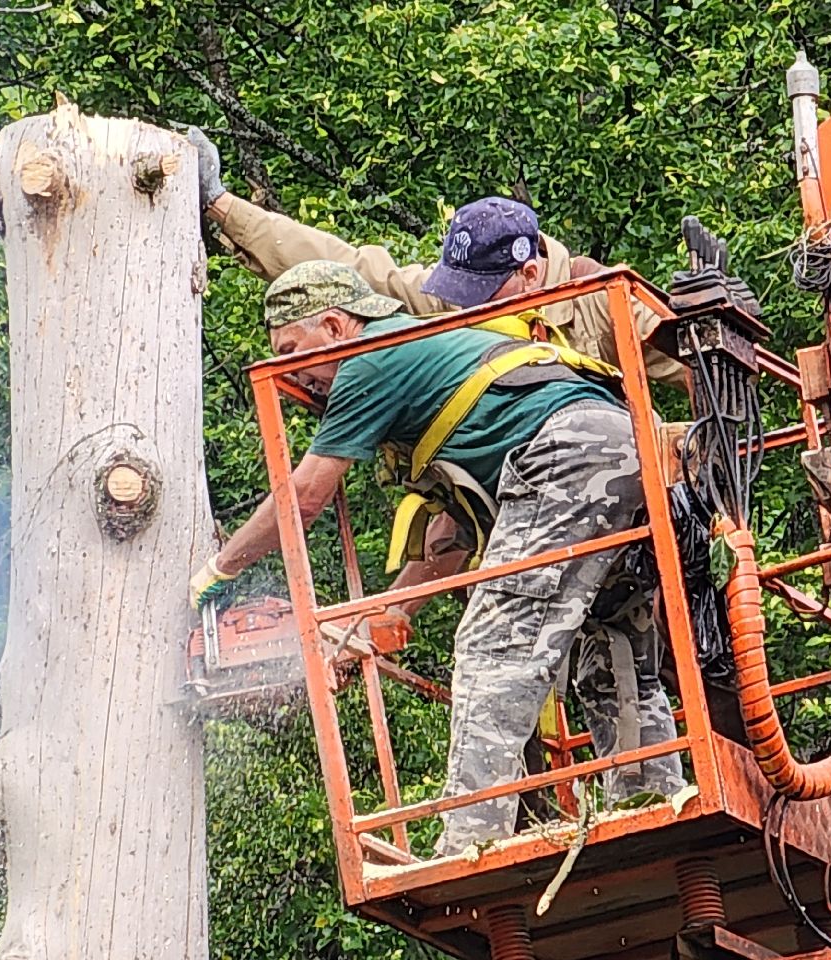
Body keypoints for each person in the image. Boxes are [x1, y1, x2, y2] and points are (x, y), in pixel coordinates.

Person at [189, 261, 686, 855]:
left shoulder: (368, 358)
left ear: (335, 326)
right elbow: (449, 541)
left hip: (568, 453)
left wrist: (219, 569)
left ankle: (472, 838)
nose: (298, 376)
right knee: (612, 645)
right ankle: (653, 801)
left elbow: (306, 496)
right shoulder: (431, 366)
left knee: (494, 644)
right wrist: (381, 620)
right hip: (630, 448)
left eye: (293, 352)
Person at [185, 129, 690, 385]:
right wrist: (222, 206)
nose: (466, 304)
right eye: (460, 287)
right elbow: (351, 268)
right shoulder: (458, 301)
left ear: (531, 273)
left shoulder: (604, 300)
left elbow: (700, 368)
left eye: (480, 290)